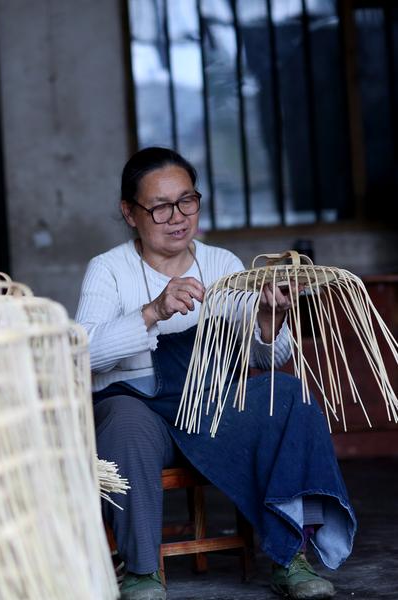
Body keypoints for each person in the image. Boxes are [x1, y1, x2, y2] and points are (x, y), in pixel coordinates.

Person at [75, 147, 355, 600]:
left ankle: (291, 556)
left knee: (289, 396)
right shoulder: (108, 270)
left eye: (187, 200)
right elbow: (80, 353)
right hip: (146, 418)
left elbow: (265, 358)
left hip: (212, 409)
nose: (177, 216)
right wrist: (152, 311)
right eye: (160, 206)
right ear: (129, 213)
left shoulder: (222, 263)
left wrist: (269, 319)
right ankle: (142, 572)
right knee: (124, 420)